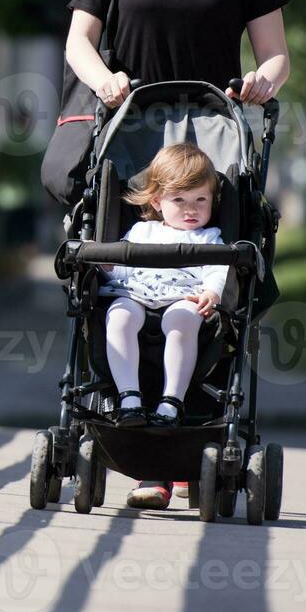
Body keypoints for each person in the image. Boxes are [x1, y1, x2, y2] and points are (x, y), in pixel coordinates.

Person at [64, 0, 291, 509]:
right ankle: (136, 438)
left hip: (210, 145)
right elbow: (79, 40)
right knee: (113, 277)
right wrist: (103, 82)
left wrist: (259, 80)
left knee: (208, 287)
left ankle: (187, 444)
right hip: (128, 136)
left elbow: (276, 54)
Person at [98, 145, 227, 510]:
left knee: (182, 319)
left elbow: (219, 269)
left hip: (183, 299)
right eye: (180, 200)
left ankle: (171, 401)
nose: (192, 210)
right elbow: (118, 269)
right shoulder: (142, 232)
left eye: (201, 199)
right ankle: (130, 398)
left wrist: (212, 293)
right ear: (156, 201)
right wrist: (98, 262)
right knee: (118, 315)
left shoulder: (209, 238)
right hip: (135, 295)